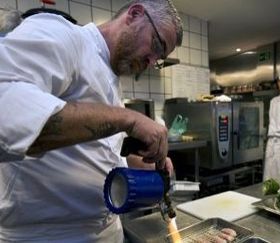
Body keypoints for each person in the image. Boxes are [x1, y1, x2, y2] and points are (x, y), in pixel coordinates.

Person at [0, 0, 182, 241]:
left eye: (159, 58)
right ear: (135, 14)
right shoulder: (63, 36)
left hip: (107, 231)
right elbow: (7, 115)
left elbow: (93, 155)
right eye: (156, 45)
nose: (151, 62)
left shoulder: (112, 79)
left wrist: (137, 164)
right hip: (47, 235)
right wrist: (129, 119)